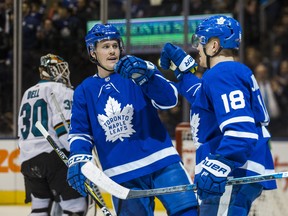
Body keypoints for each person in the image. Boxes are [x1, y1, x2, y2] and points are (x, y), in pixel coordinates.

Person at [66, 23, 198, 216]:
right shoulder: (84, 91)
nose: (112, 51)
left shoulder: (137, 70)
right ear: (93, 53)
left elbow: (170, 99)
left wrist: (147, 76)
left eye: (115, 45)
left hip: (162, 162)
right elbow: (80, 133)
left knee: (189, 213)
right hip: (122, 175)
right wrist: (78, 158)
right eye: (105, 46)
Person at [160, 15, 277, 216]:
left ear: (214, 46)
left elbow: (241, 133)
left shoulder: (223, 73)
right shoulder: (226, 74)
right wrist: (183, 72)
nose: (197, 48)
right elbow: (201, 96)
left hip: (232, 170)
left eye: (201, 42)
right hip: (240, 166)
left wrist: (220, 165)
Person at [18, 54, 88, 216]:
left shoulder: (27, 93)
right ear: (50, 70)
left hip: (28, 161)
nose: (64, 73)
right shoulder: (60, 90)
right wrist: (77, 155)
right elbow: (63, 129)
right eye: (60, 69)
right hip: (54, 156)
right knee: (75, 207)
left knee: (40, 208)